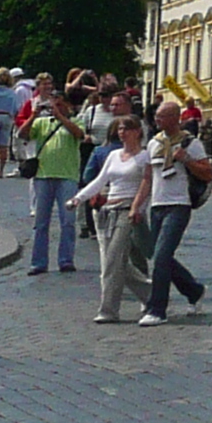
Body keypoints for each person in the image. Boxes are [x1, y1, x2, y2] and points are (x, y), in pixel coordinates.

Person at [71, 115, 157, 325]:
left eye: (127, 128)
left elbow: (148, 186)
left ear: (138, 131)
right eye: (119, 128)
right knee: (117, 263)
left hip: (128, 210)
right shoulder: (114, 155)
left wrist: (139, 209)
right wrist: (79, 197)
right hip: (108, 210)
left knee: (112, 260)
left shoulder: (145, 157)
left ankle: (108, 310)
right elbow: (101, 180)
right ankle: (152, 295)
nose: (122, 132)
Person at [135, 102, 211, 327]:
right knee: (160, 256)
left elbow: (207, 173)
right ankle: (194, 290)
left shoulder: (191, 143)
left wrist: (186, 159)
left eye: (162, 117)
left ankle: (157, 308)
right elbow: (148, 178)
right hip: (157, 205)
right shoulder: (153, 144)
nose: (157, 121)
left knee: (161, 255)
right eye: (156, 117)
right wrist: (138, 205)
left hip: (179, 204)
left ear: (175, 118)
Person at [21, 93, 88, 274]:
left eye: (59, 105)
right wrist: (34, 115)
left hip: (67, 177)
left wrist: (61, 117)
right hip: (43, 176)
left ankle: (66, 260)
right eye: (53, 105)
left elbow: (79, 134)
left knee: (67, 222)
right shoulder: (43, 123)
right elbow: (23, 134)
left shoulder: (76, 121)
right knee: (41, 222)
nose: (55, 108)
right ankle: (38, 262)